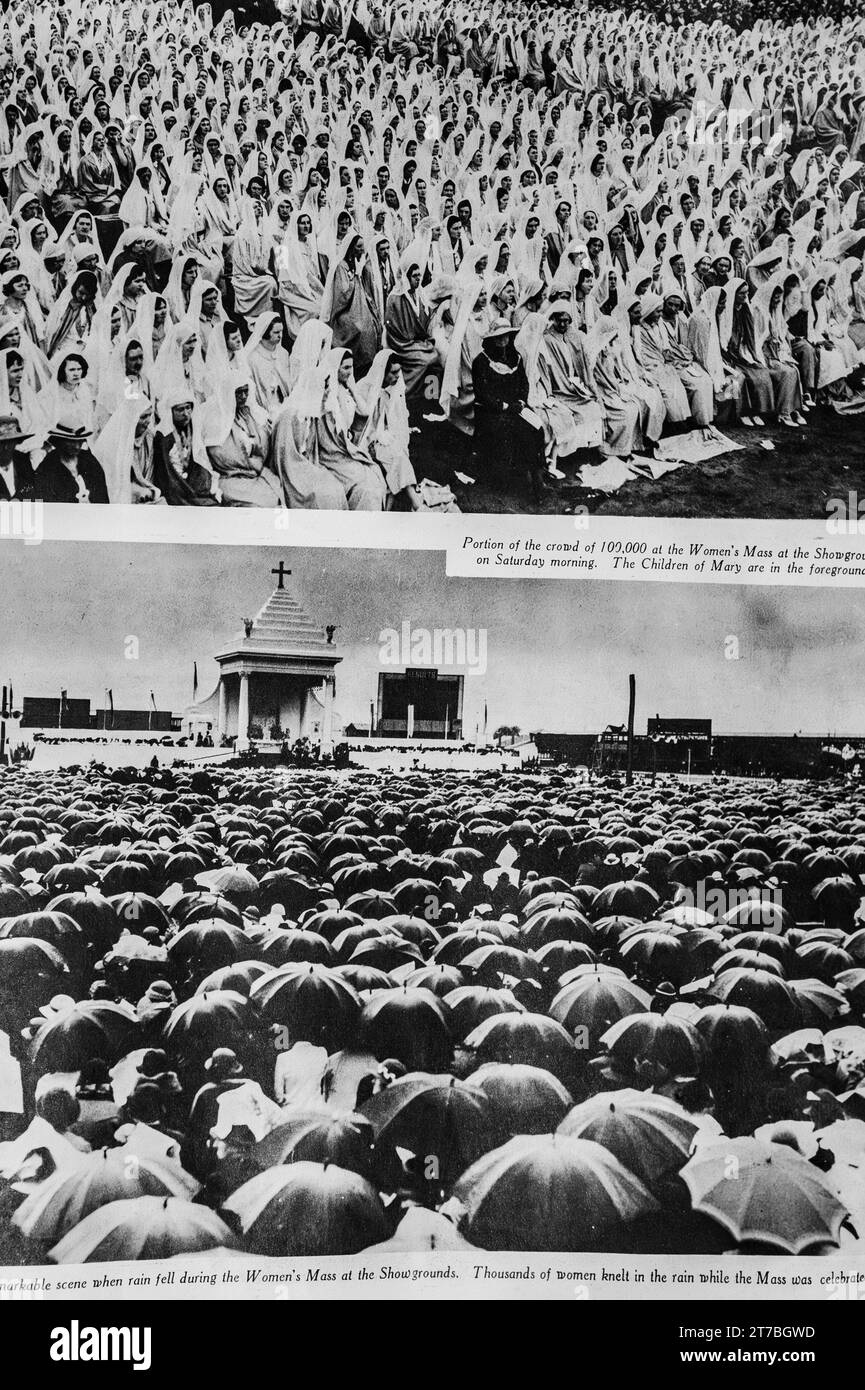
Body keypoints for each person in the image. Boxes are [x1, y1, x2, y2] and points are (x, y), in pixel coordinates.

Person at [471, 320, 546, 486]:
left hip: (514, 407)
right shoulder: (481, 362)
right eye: (498, 337)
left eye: (506, 336)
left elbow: (523, 383)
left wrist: (520, 401)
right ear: (491, 339)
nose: (503, 340)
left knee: (536, 426)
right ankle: (510, 478)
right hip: (492, 411)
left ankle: (536, 474)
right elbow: (482, 394)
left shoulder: (515, 358)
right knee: (506, 428)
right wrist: (505, 406)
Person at [152, 390, 219, 505]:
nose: (186, 413)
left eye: (188, 408)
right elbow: (166, 473)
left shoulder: (193, 429)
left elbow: (198, 460)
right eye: (180, 409)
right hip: (174, 484)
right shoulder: (163, 436)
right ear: (171, 412)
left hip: (191, 480)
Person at [33, 421, 108, 502]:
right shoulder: (48, 467)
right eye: (72, 441)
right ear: (59, 441)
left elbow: (102, 495)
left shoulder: (89, 460)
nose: (77, 446)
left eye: (80, 440)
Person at [0, 414, 35, 500]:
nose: (5, 447)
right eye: (1, 443)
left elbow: (32, 490)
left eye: (10, 442)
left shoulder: (22, 460)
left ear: (17, 442)